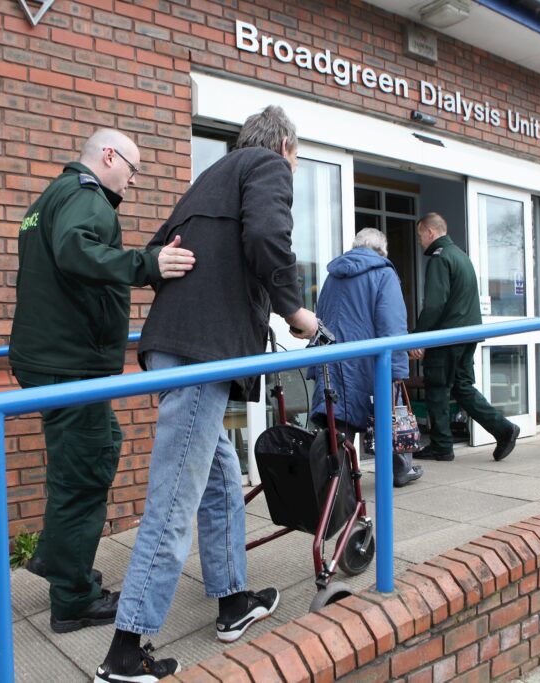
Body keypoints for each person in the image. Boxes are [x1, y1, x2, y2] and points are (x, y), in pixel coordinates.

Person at [96, 106, 319, 683]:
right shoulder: (268, 166)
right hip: (202, 354)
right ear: (285, 145)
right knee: (174, 498)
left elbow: (154, 254)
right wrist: (295, 310)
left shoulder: (210, 178)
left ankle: (232, 599)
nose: (291, 167)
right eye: (295, 157)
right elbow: (269, 236)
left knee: (220, 477)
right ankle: (126, 651)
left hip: (177, 343)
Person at [8, 129, 195, 634]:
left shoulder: (51, 196)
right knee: (84, 472)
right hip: (70, 365)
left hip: (48, 360)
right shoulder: (87, 200)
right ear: (107, 157)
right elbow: (76, 251)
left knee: (92, 449)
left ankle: (58, 558)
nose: (132, 183)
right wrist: (147, 264)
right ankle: (73, 599)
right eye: (131, 171)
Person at [308, 228, 423, 487]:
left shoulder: (333, 276)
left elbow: (321, 318)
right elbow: (392, 326)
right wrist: (397, 371)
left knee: (338, 419)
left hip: (334, 360)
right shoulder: (384, 273)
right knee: (388, 413)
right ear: (381, 250)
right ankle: (401, 469)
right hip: (369, 363)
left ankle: (334, 482)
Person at [409, 212, 520, 462]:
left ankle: (441, 446)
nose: (419, 241)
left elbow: (435, 305)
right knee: (461, 386)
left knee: (437, 388)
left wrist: (417, 337)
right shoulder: (460, 256)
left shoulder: (440, 258)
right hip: (466, 335)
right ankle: (503, 429)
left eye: (419, 235)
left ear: (430, 232)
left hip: (447, 337)